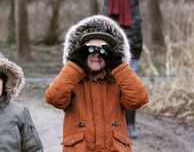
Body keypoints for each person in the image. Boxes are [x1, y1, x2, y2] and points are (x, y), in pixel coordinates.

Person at [45, 14, 148, 152]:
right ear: (80, 52)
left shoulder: (118, 79)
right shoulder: (71, 80)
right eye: (90, 49)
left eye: (104, 50)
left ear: (112, 54)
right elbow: (53, 98)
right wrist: (74, 64)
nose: (97, 54)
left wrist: (118, 65)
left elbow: (139, 99)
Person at [90, 0, 155, 139]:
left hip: (132, 38)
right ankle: (107, 125)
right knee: (106, 85)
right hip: (109, 37)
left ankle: (130, 125)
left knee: (130, 84)